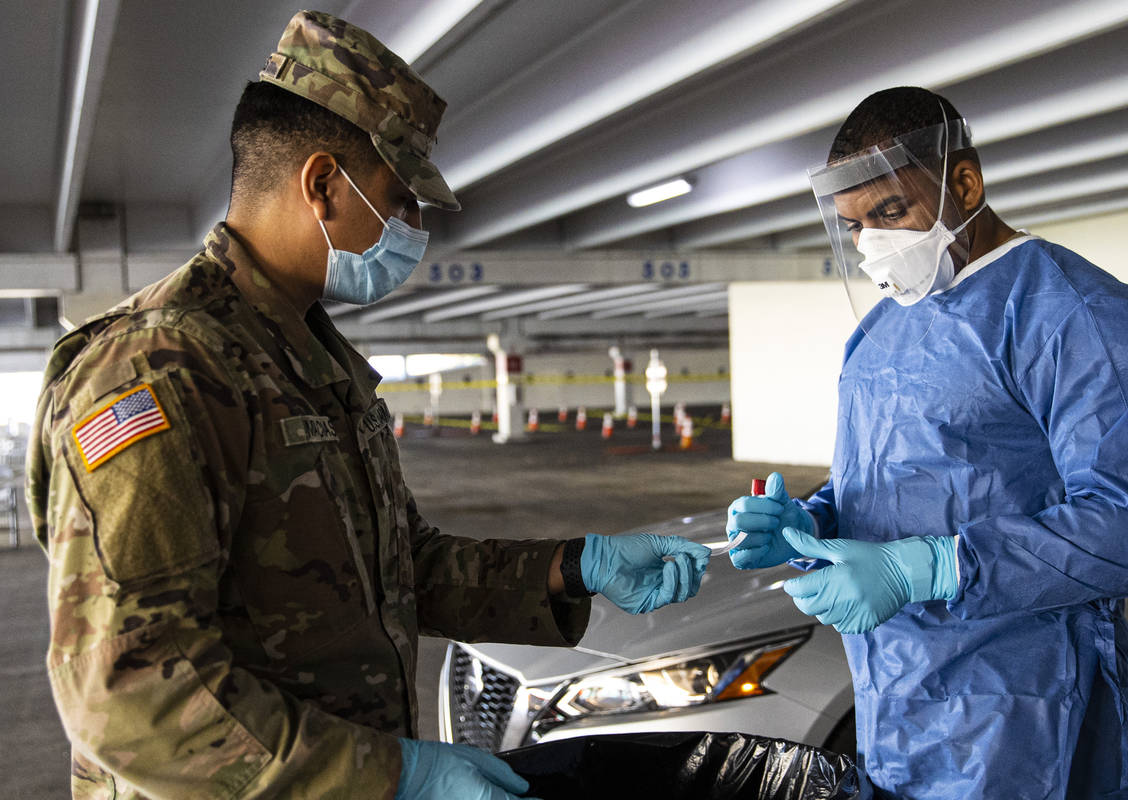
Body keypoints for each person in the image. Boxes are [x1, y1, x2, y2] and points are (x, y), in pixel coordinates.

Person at [25, 11, 711, 800]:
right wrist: (398, 773)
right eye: (400, 200)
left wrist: (573, 567)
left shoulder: (305, 356)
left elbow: (395, 570)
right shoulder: (160, 368)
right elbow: (129, 687)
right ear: (321, 185)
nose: (412, 229)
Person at [725, 87, 1128, 799]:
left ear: (963, 183)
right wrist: (811, 525)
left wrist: (932, 570)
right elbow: (895, 485)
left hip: (1031, 717)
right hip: (899, 707)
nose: (870, 243)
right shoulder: (881, 330)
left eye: (890, 211)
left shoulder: (1080, 317)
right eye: (853, 225)